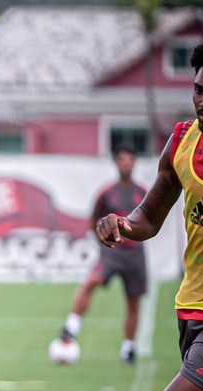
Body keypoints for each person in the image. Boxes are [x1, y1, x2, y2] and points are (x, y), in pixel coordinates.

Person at [65, 42, 203, 391]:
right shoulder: (182, 141)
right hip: (192, 309)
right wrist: (121, 225)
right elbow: (151, 215)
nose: (202, 98)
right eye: (197, 87)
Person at [55, 145, 147, 364]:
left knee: (133, 302)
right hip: (112, 253)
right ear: (116, 163)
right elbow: (93, 220)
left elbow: (151, 220)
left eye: (131, 159)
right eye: (123, 159)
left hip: (135, 255)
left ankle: (128, 348)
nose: (127, 163)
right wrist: (102, 241)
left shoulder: (142, 193)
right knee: (91, 281)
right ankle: (71, 326)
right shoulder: (107, 193)